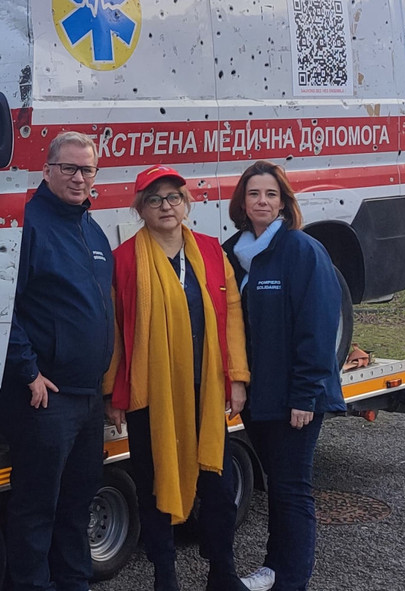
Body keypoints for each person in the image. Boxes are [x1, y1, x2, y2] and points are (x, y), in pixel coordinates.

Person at [104, 166, 251, 591]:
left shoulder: (209, 251)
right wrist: (113, 392)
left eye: (173, 197)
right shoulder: (125, 260)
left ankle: (222, 573)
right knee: (153, 489)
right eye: (154, 199)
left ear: (187, 204)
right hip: (152, 397)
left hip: (206, 392)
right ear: (140, 209)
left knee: (219, 490)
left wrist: (237, 377)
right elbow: (114, 330)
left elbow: (233, 317)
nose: (165, 206)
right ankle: (164, 577)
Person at [221, 161, 346, 591]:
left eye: (271, 195)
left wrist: (306, 396)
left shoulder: (302, 251)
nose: (262, 202)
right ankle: (275, 570)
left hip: (296, 397)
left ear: (284, 202)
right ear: (241, 201)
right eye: (254, 194)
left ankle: (292, 579)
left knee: (292, 489)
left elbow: (318, 327)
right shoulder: (231, 252)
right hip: (259, 395)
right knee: (276, 484)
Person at [2, 131, 117, 591]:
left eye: (86, 169)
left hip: (87, 395)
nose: (77, 177)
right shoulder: (28, 223)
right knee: (36, 508)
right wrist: (27, 370)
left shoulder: (92, 229)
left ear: (95, 175)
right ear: (47, 170)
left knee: (77, 501)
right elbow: (2, 307)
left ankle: (74, 583)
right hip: (45, 397)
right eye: (67, 168)